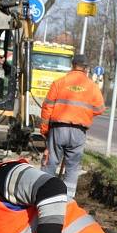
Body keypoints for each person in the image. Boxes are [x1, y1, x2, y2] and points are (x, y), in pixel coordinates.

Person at [40, 54, 105, 198]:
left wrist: (45, 131)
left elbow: (47, 108)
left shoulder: (59, 82)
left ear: (72, 65)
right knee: (72, 167)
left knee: (50, 163)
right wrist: (84, 113)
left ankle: (43, 196)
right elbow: (100, 108)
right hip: (78, 132)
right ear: (86, 68)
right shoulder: (92, 87)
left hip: (58, 129)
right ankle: (68, 201)